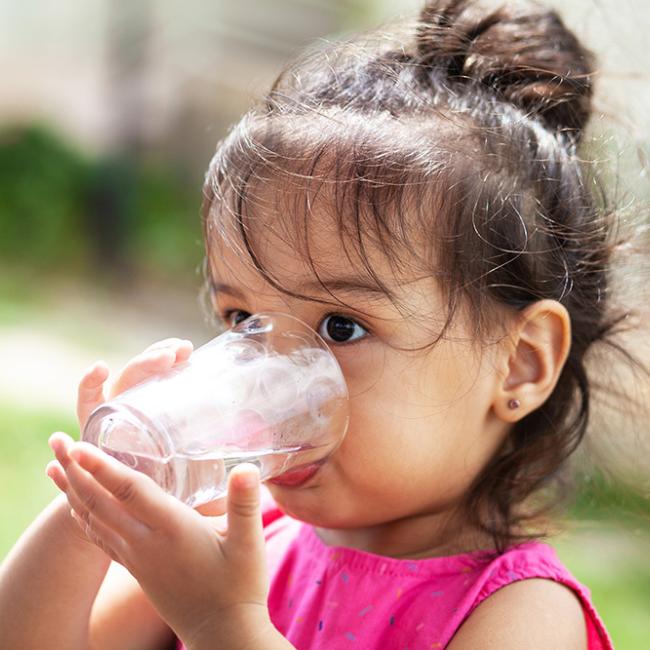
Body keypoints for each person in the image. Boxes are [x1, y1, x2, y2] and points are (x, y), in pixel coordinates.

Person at [1, 0, 647, 648]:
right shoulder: (247, 538)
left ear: (521, 363)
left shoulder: (522, 611)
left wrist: (222, 625)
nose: (269, 384)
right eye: (243, 318)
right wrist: (95, 512)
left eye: (341, 327)